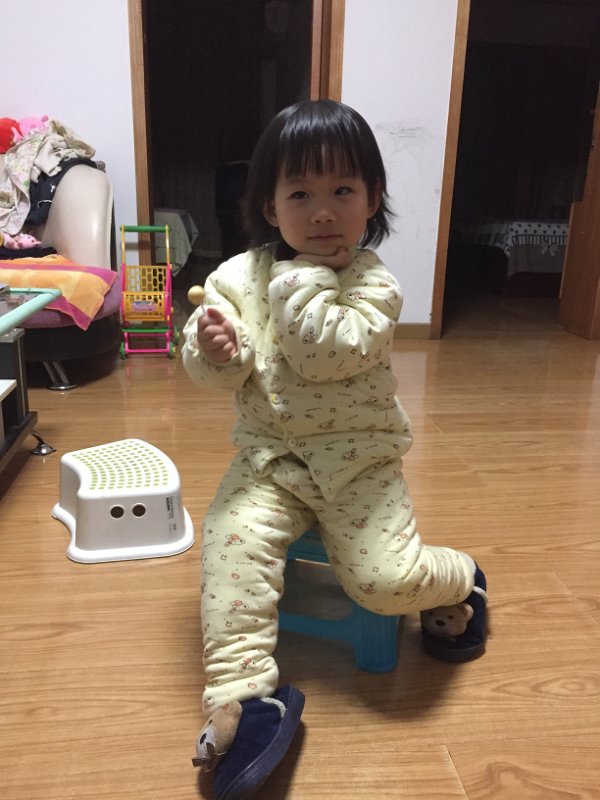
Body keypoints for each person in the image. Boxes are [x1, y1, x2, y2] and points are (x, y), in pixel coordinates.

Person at [182, 99, 488, 800]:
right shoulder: (235, 277)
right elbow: (210, 369)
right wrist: (213, 351)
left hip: (361, 466)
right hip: (269, 463)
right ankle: (244, 701)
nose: (322, 212)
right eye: (300, 194)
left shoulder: (375, 284)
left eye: (342, 190)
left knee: (384, 582)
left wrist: (299, 277)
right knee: (228, 545)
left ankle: (460, 576)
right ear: (269, 206)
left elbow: (323, 353)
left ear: (372, 199)